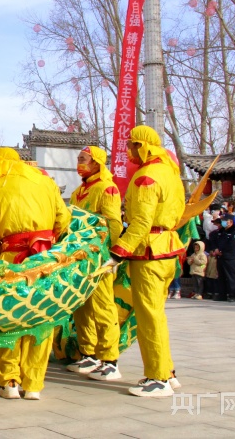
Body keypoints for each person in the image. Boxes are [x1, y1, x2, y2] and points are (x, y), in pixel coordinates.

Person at [0, 147, 71, 401]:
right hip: (45, 259)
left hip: (11, 257)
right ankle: (34, 384)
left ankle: (10, 381)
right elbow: (63, 218)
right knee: (42, 318)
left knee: (9, 317)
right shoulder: (46, 182)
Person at [109, 125, 186, 398]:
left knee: (149, 317)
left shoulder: (146, 177)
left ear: (142, 146)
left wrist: (118, 251)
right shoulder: (170, 173)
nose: (128, 150)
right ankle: (167, 372)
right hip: (166, 249)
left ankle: (158, 378)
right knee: (156, 315)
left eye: (131, 145)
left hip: (149, 251)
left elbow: (141, 221)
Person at [66, 146, 124, 381]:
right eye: (78, 159)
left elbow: (114, 223)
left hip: (99, 255)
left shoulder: (107, 188)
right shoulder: (78, 191)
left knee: (103, 306)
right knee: (81, 306)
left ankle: (110, 359)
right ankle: (88, 353)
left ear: (96, 163)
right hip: (80, 256)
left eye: (83, 159)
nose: (79, 163)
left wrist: (112, 253)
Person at [212, 213, 235, 302]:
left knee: (230, 276)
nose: (223, 222)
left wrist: (222, 252)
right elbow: (215, 240)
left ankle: (232, 295)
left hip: (229, 257)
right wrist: (216, 249)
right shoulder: (221, 231)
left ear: (230, 221)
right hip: (220, 257)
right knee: (221, 276)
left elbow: (232, 245)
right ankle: (222, 294)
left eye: (225, 220)